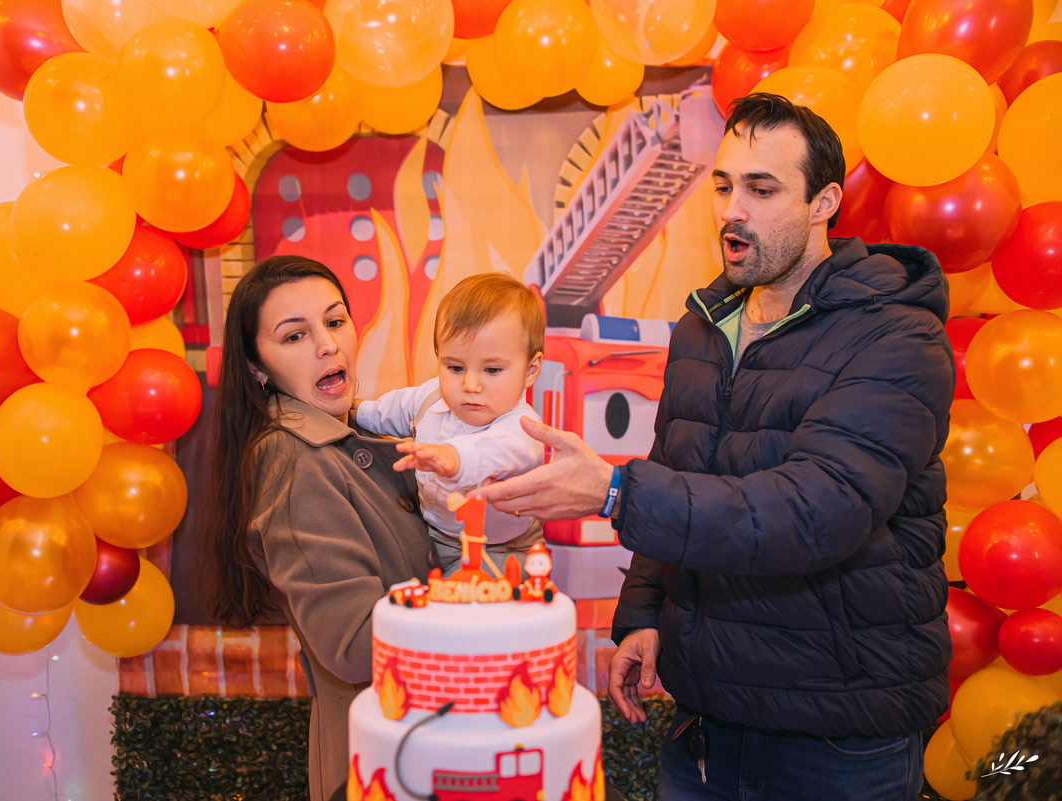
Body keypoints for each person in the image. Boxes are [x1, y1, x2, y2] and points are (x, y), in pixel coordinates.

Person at [472, 93, 953, 800]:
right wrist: (642, 612)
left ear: (825, 202)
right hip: (706, 724)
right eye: (724, 185)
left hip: (838, 737)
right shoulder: (704, 328)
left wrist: (612, 490)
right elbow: (679, 469)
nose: (732, 210)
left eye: (762, 189)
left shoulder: (897, 336)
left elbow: (816, 510)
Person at [201, 255, 437, 801]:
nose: (328, 345)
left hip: (424, 739)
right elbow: (355, 644)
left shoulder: (358, 435)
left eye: (334, 322)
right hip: (384, 759)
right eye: (294, 336)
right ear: (259, 367)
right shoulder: (292, 460)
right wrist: (474, 600)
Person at [355, 272, 546, 574]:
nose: (470, 384)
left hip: (499, 547)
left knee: (472, 610)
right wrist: (357, 412)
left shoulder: (522, 427)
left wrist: (453, 458)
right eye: (455, 367)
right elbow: (392, 409)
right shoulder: (431, 396)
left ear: (530, 370)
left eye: (492, 370)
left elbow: (492, 451)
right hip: (434, 534)